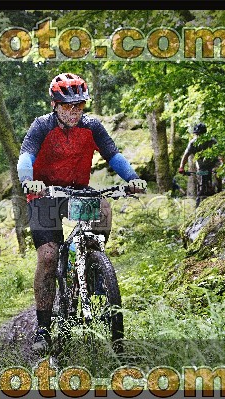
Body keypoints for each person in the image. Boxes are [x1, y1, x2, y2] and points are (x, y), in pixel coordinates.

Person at [17, 73, 146, 353]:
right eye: (68, 106)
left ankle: (91, 264)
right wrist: (28, 180)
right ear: (55, 105)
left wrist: (133, 178)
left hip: (77, 190)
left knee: (104, 209)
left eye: (79, 105)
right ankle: (43, 328)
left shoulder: (92, 126)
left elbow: (113, 155)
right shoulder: (41, 126)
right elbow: (25, 156)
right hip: (44, 194)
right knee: (48, 257)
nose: (74, 111)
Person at [178, 122, 222, 206]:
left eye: (201, 134)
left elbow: (220, 152)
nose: (199, 136)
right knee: (201, 181)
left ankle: (220, 191)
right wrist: (181, 167)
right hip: (201, 166)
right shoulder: (192, 143)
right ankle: (200, 197)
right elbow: (186, 155)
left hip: (214, 164)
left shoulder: (212, 141)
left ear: (205, 134)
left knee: (217, 174)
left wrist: (222, 163)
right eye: (197, 134)